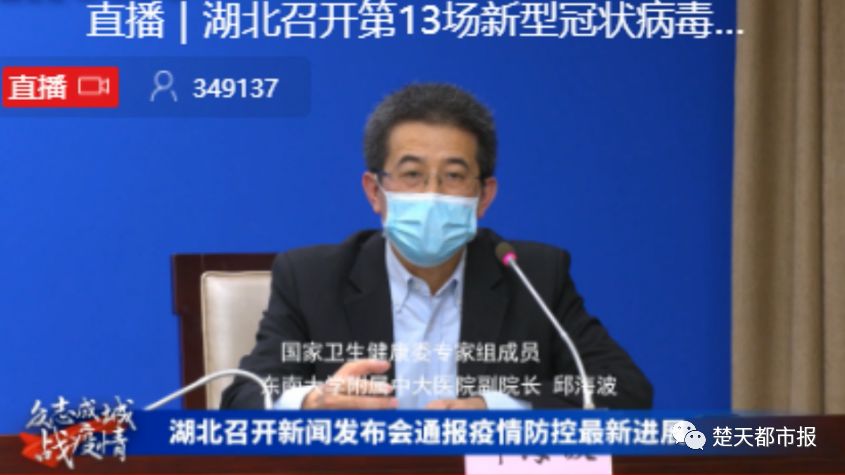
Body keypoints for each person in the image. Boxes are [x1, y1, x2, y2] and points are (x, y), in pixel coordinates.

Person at [221, 83, 652, 410]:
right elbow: (243, 397)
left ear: (484, 196)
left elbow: (624, 388)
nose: (432, 193)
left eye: (453, 176)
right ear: (374, 191)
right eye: (412, 174)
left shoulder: (533, 275)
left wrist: (496, 409)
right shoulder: (311, 279)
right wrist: (313, 402)